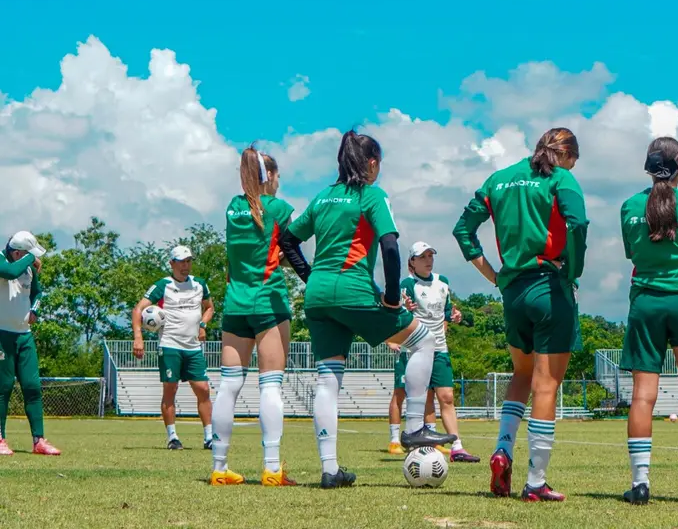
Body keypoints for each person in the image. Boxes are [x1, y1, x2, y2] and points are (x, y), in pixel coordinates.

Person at [279, 129, 455, 489]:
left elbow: (287, 240)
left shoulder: (323, 198)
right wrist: (392, 296)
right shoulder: (372, 196)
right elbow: (390, 247)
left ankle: (330, 470)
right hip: (353, 290)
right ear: (372, 163)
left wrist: (311, 277)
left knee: (327, 380)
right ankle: (414, 428)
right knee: (423, 341)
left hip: (317, 297)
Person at [453, 127, 588, 502]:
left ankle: (503, 450)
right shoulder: (562, 179)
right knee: (546, 385)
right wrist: (573, 270)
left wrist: (493, 275)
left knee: (522, 374)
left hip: (511, 293)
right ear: (567, 156)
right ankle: (535, 482)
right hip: (549, 287)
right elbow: (578, 225)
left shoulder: (498, 179)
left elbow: (463, 229)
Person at [618, 137, 678, 505]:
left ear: (647, 166)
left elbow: (633, 255)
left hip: (645, 304)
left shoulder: (629, 207)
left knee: (643, 397)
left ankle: (641, 484)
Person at [208, 146, 311, 486]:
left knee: (229, 385)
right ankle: (271, 468)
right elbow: (290, 250)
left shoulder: (232, 208)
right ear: (271, 177)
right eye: (278, 176)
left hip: (235, 304)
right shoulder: (279, 208)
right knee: (270, 385)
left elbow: (244, 253)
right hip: (268, 301)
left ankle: (219, 468)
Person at [385, 242, 477, 463]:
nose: (428, 260)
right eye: (422, 256)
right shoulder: (408, 284)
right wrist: (405, 308)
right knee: (419, 397)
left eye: (430, 256)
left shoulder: (442, 282)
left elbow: (447, 312)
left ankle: (457, 446)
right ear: (412, 262)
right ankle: (411, 440)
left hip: (440, 349)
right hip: (416, 349)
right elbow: (396, 313)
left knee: (447, 396)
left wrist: (455, 316)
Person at [133, 245, 215, 451]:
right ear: (172, 263)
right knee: (171, 389)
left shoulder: (199, 284)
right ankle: (173, 437)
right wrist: (138, 337)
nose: (186, 265)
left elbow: (210, 307)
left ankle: (209, 437)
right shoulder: (163, 285)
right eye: (181, 262)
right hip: (170, 345)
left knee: (203, 389)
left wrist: (203, 325)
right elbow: (138, 309)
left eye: (188, 261)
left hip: (193, 347)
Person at [0, 231, 60, 456]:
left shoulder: (28, 268)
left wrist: (34, 309)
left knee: (32, 387)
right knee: (3, 388)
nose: (34, 259)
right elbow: (8, 272)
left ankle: (39, 440)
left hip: (24, 335)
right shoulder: (3, 260)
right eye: (28, 254)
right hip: (1, 335)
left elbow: (38, 293)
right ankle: (0, 438)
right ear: (17, 252)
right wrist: (30, 259)